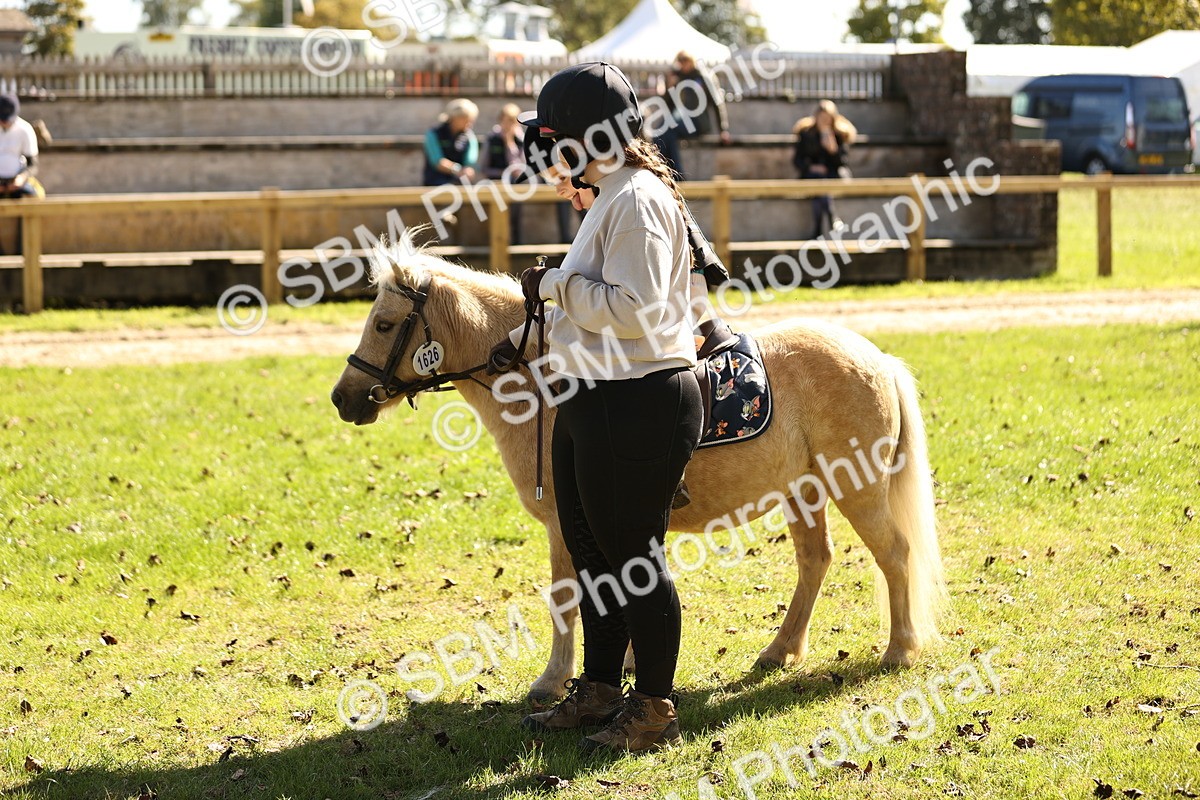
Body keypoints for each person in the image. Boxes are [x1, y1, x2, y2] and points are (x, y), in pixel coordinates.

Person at [488, 62, 703, 753]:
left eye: (555, 140)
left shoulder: (635, 198)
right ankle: (603, 689)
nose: (548, 155)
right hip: (597, 392)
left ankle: (656, 710)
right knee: (593, 556)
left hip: (636, 394)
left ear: (587, 138)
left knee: (632, 557)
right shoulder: (615, 192)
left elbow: (636, 311)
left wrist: (555, 285)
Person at [652, 50, 732, 181]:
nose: (683, 65)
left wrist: (723, 130)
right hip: (681, 120)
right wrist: (669, 87)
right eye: (680, 61)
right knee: (661, 133)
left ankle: (675, 175)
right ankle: (667, 173)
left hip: (698, 123)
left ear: (692, 60)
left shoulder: (703, 77)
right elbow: (668, 104)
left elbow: (717, 104)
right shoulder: (679, 77)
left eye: (685, 60)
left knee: (669, 130)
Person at [792, 99, 856, 237]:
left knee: (821, 187)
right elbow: (797, 160)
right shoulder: (807, 135)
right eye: (822, 118)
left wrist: (833, 150)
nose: (824, 122)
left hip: (833, 176)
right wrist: (812, 167)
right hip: (812, 176)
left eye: (827, 119)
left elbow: (843, 163)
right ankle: (832, 217)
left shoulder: (839, 135)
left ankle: (817, 232)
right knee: (819, 184)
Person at [0, 93, 45, 256]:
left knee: (36, 197)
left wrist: (21, 179)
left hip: (17, 179)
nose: (5, 122)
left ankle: (26, 247)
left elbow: (33, 164)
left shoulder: (25, 130)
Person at [481, 103, 525, 244]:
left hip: (514, 185)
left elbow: (519, 170)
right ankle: (495, 242)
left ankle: (515, 242)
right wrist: (502, 173)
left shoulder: (521, 140)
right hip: (495, 183)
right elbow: (484, 168)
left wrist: (509, 144)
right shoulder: (492, 139)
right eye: (506, 120)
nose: (508, 125)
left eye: (512, 122)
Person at [422, 98, 479, 187]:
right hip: (435, 182)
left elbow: (470, 161)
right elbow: (437, 161)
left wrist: (468, 171)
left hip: (460, 183)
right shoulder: (434, 133)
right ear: (454, 118)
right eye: (466, 119)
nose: (469, 123)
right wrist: (458, 170)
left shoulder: (469, 136)